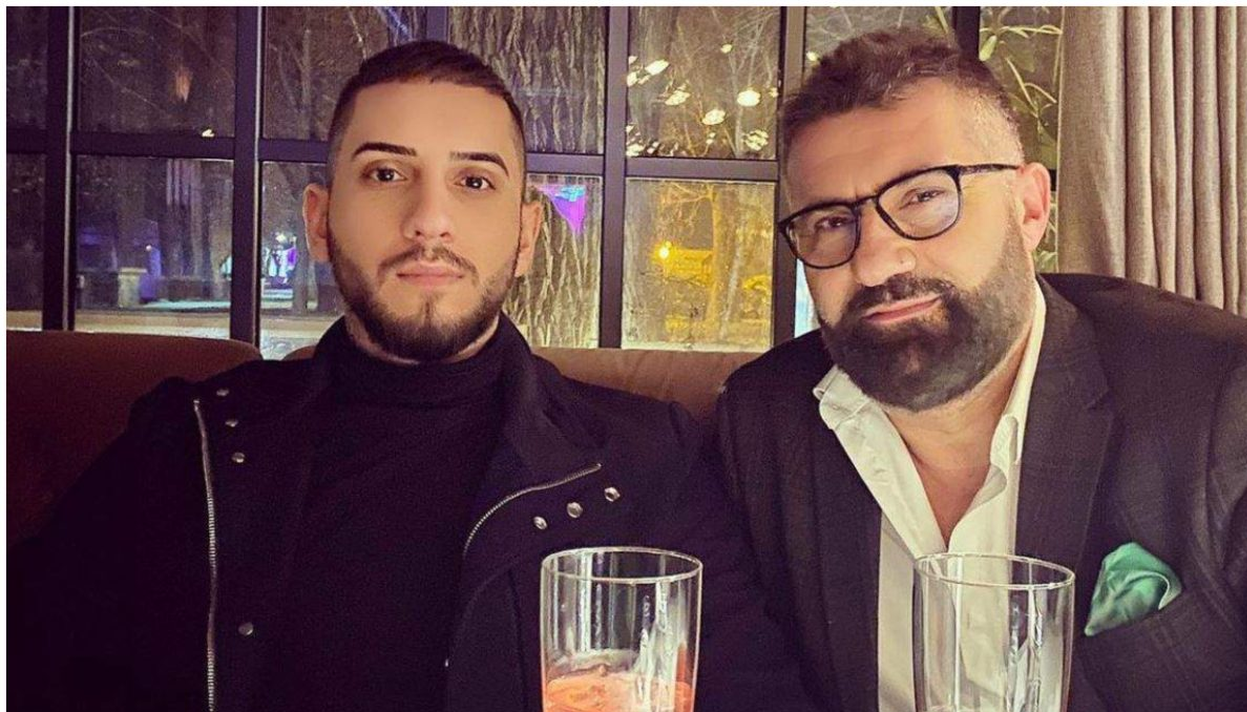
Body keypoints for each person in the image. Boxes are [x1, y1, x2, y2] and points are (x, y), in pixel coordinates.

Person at [12, 41, 815, 712]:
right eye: (386, 174)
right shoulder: (184, 446)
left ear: (526, 235)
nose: (430, 219)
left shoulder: (648, 462)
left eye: (475, 181)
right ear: (321, 221)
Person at [716, 28, 1247, 712]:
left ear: (1029, 208)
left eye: (924, 197)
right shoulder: (762, 421)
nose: (874, 262)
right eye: (830, 222)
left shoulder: (1225, 402)